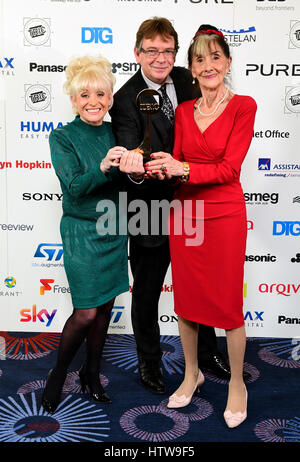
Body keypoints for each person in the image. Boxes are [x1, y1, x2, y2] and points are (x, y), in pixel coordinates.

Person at [109, 17, 235, 396]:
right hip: (148, 208)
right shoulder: (125, 98)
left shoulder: (186, 78)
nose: (160, 58)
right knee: (147, 291)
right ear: (137, 53)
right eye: (152, 51)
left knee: (201, 285)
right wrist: (136, 166)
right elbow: (132, 151)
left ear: (176, 54)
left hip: (194, 205)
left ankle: (209, 352)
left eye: (167, 51)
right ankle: (149, 361)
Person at [146, 24, 257, 428]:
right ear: (190, 69)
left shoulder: (244, 105)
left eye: (215, 57)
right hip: (185, 215)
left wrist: (183, 167)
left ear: (227, 63)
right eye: (199, 59)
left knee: (227, 305)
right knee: (188, 302)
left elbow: (229, 169)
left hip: (224, 215)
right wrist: (159, 168)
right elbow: (176, 166)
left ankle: (236, 386)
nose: (208, 65)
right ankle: (191, 373)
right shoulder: (183, 112)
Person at [41, 54, 129, 413]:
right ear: (73, 99)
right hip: (81, 233)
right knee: (87, 312)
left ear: (110, 98)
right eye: (84, 95)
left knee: (105, 309)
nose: (93, 102)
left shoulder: (117, 131)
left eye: (101, 94)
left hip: (114, 228)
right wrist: (105, 165)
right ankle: (58, 374)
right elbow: (75, 187)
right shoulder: (62, 136)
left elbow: (131, 179)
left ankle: (91, 374)